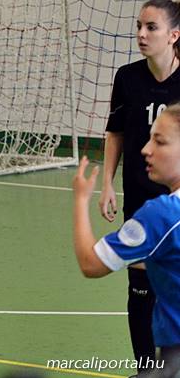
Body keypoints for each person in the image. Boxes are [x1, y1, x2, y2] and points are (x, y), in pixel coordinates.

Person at [100, 0, 180, 368]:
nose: (142, 35)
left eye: (151, 27)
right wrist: (106, 183)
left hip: (174, 198)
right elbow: (115, 132)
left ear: (174, 35)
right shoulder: (127, 78)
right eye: (139, 27)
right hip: (139, 194)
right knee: (140, 287)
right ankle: (147, 369)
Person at [73, 104, 180, 377]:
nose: (146, 149)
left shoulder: (161, 216)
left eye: (160, 141)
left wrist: (81, 200)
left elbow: (91, 263)